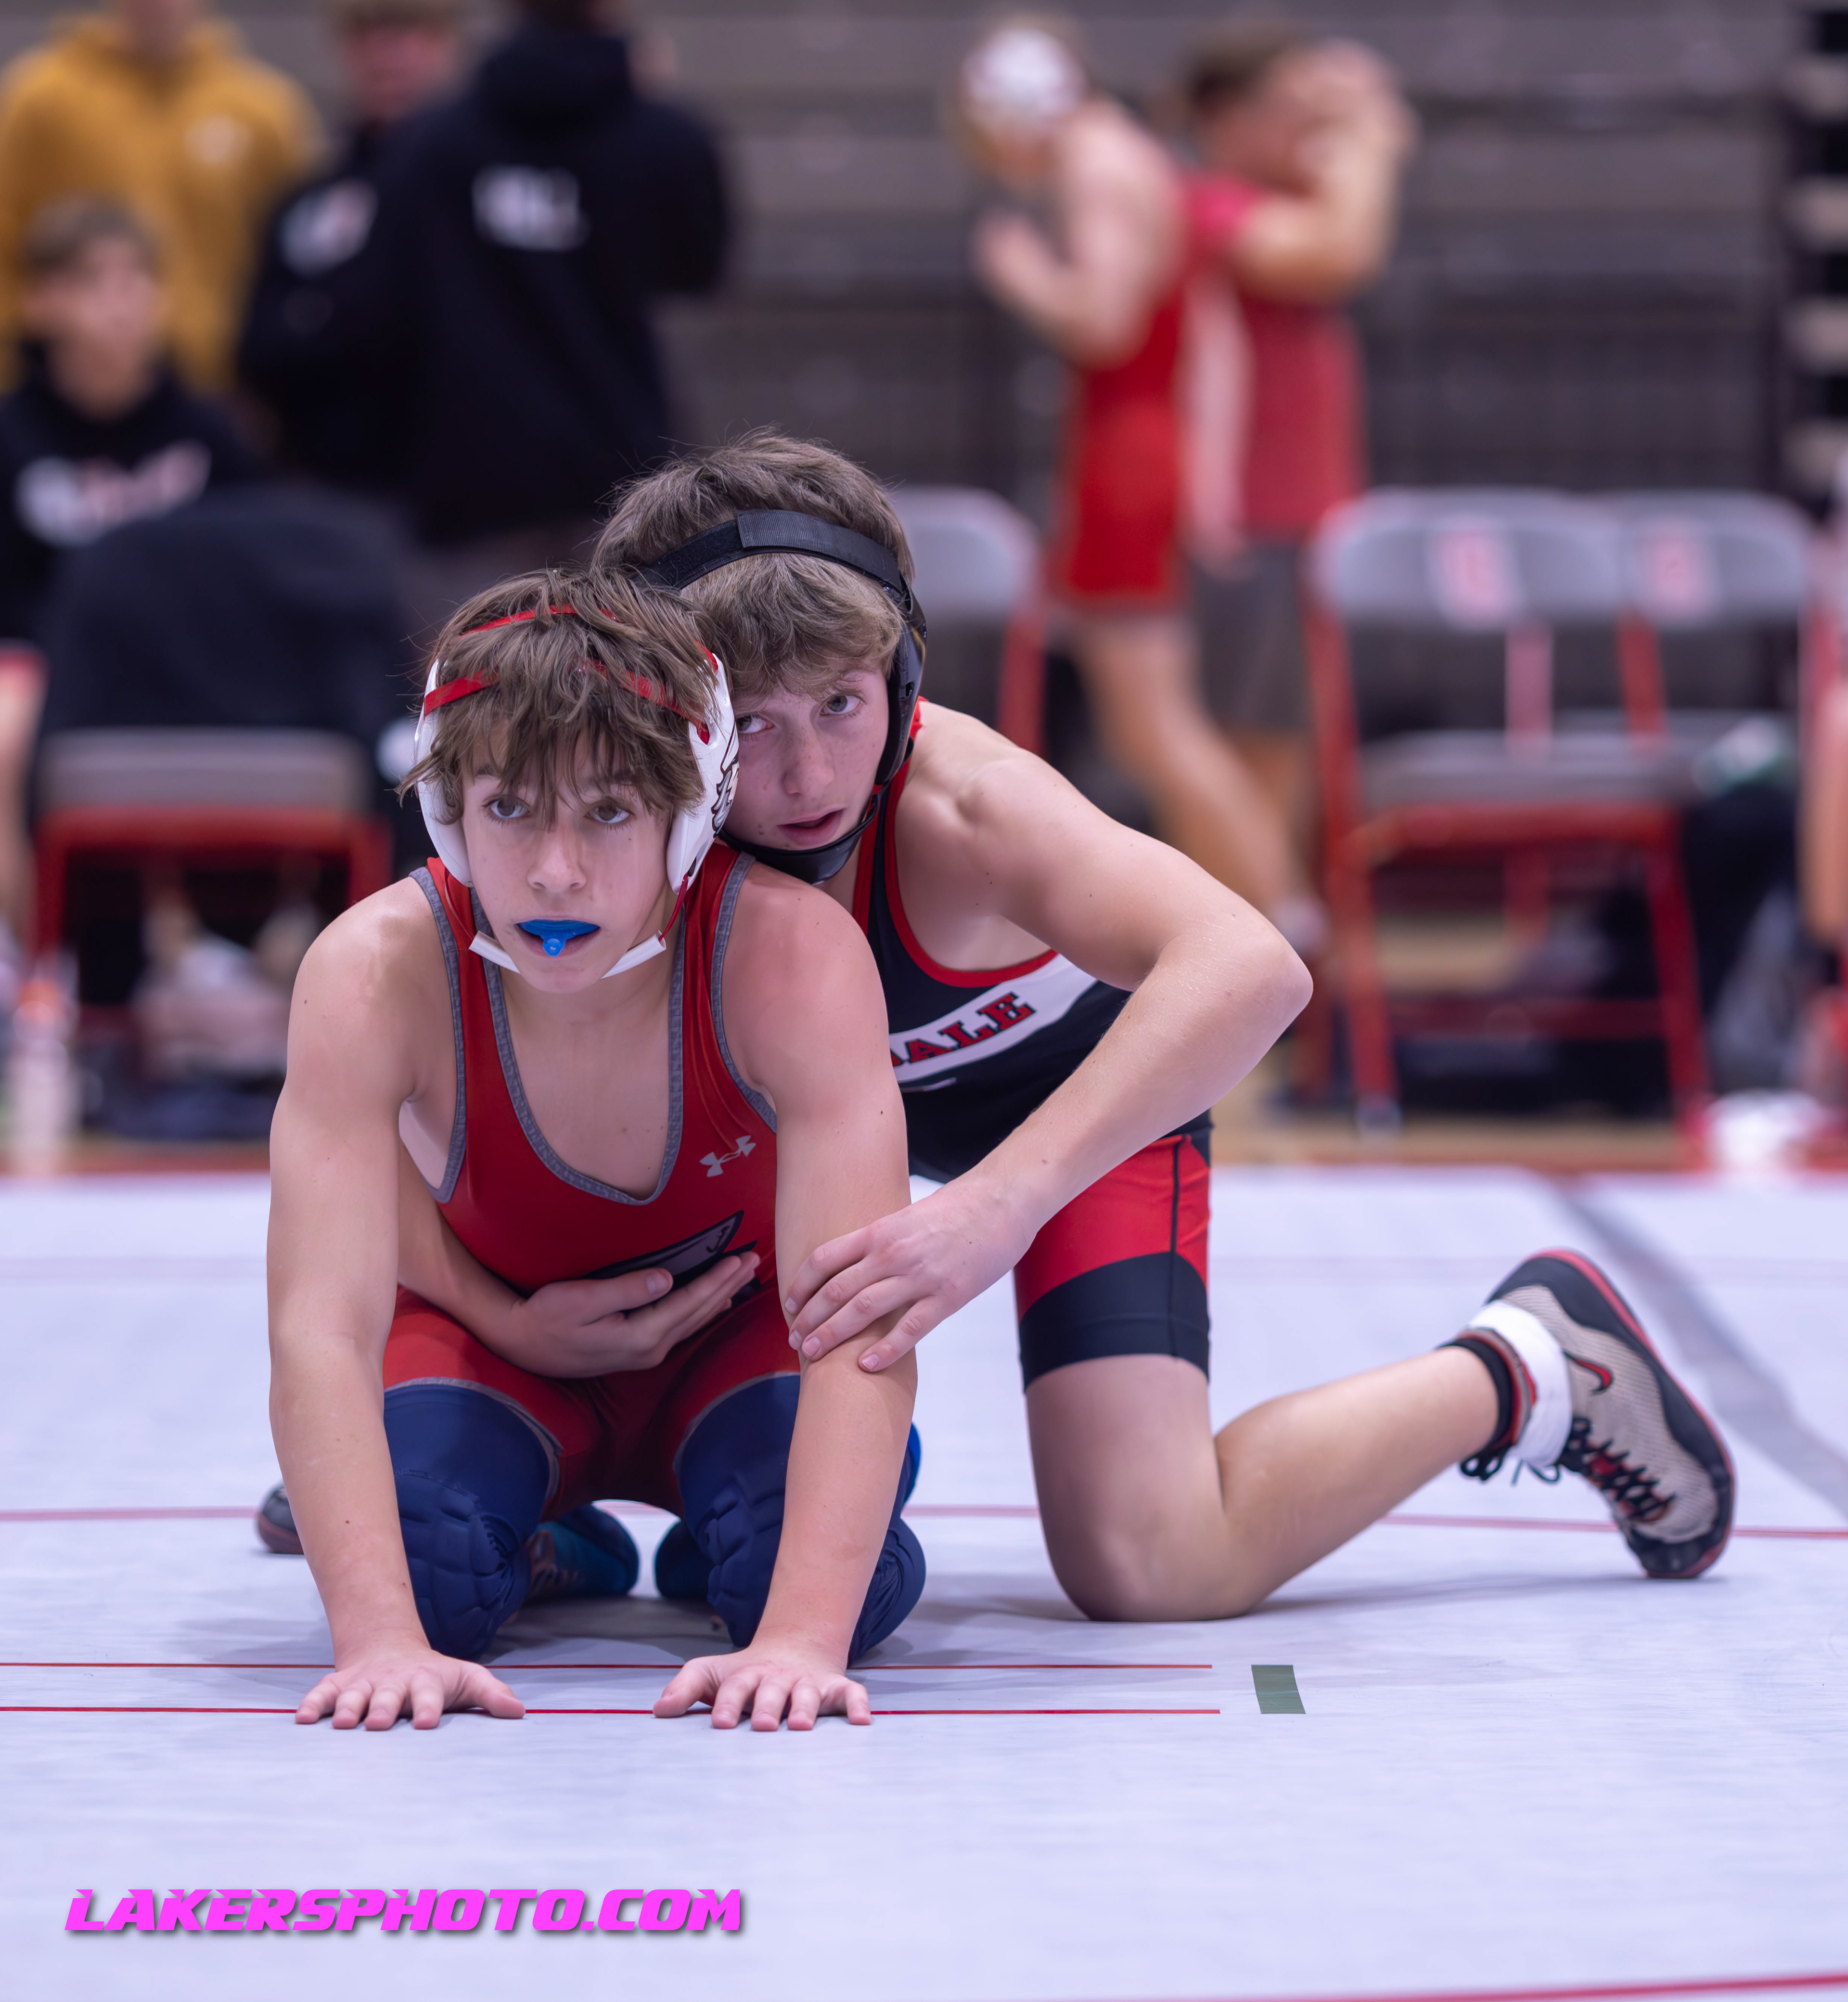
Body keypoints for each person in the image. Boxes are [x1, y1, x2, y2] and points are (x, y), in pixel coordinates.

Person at [586, 430, 1735, 1622]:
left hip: (1071, 1107)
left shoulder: (964, 806)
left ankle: (1527, 1369)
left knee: (1151, 1562)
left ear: (904, 676)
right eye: (753, 724)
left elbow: (1252, 965)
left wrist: (999, 1203)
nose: (811, 775)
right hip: (786, 1126)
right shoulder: (605, 814)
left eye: (841, 703)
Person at [265, 567, 924, 1731]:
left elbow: (859, 1321)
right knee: (422, 1577)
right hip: (490, 1351)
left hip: (740, 1352)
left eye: (610, 812)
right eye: (510, 808)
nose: (554, 871)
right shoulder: (372, 971)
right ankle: (553, 1539)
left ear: (690, 812)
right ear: (448, 812)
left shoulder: (790, 958)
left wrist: (801, 1638)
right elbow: (320, 1325)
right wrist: (378, 1641)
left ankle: (719, 1538)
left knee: (826, 1584)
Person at [951, 19, 1314, 948]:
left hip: (1124, 456)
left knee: (1158, 731)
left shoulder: (1094, 167)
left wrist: (1026, 275)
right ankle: (1252, 933)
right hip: (1151, 448)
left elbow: (1105, 321)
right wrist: (1209, 476)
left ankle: (1280, 936)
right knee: (1158, 730)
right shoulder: (1145, 157)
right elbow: (1213, 338)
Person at [325, 0, 727, 635]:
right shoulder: (664, 134)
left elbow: (372, 312)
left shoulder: (431, 141)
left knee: (472, 694)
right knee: (626, 693)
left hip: (470, 492)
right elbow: (698, 268)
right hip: (621, 487)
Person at [0, 197, 265, 945]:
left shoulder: (207, 431)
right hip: (41, 661)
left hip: (180, 661)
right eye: (94, 281)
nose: (122, 303)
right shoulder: (12, 435)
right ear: (42, 303)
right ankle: (28, 963)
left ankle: (220, 946)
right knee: (4, 727)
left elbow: (251, 578)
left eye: (137, 279)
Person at [1183, 22, 1414, 877]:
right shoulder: (1207, 204)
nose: (1309, 128)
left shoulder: (1279, 203)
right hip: (1252, 520)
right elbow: (1339, 253)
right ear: (1226, 118)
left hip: (1305, 519)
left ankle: (1278, 923)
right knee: (1259, 744)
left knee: (1292, 740)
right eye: (1290, 108)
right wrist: (1370, 140)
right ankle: (1256, 934)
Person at [0, 0, 319, 392]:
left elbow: (299, 262)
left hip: (221, 387)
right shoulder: (42, 101)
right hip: (70, 395)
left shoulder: (264, 111)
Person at [238, 0, 463, 490]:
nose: (385, 53)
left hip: (468, 487)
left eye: (407, 30)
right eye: (366, 32)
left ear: (447, 43)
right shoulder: (311, 203)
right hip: (339, 481)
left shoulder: (482, 189)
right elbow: (262, 347)